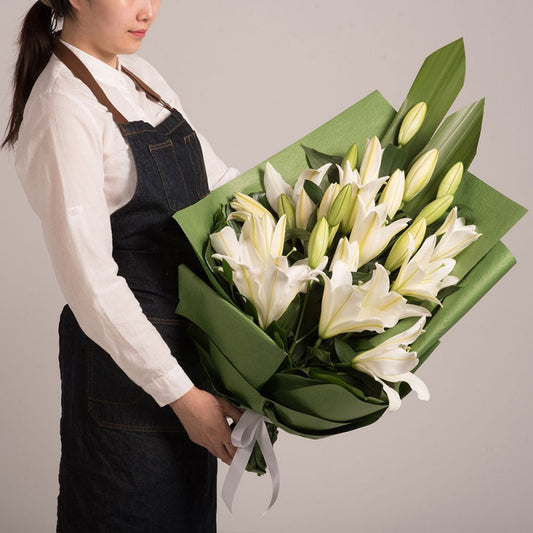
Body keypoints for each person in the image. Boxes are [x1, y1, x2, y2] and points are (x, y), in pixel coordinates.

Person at [3, 1, 242, 531]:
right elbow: (91, 284)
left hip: (186, 357)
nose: (148, 9)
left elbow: (223, 186)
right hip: (128, 377)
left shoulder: (140, 76)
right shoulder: (62, 106)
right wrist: (181, 397)